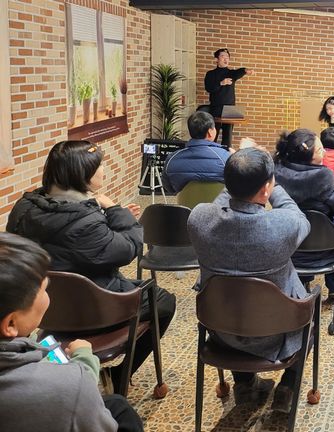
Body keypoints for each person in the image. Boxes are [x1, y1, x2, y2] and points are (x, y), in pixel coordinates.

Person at [5, 140, 177, 391]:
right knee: (163, 301)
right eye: (99, 167)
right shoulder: (86, 221)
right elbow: (130, 248)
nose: (104, 170)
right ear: (82, 174)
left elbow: (73, 239)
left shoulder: (24, 209)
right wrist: (116, 210)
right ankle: (119, 377)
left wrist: (105, 215)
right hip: (99, 308)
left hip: (47, 309)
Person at [187, 148, 311, 411]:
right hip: (279, 333)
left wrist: (238, 175)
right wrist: (270, 182)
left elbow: (220, 204)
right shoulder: (283, 226)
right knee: (309, 320)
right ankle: (287, 388)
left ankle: (244, 385)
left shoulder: (198, 219)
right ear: (265, 190)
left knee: (234, 303)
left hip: (221, 329)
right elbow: (296, 214)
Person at [0, 232, 144, 432]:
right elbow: (126, 249)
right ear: (11, 324)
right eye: (43, 290)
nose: (48, 296)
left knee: (117, 405)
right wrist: (84, 359)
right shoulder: (69, 385)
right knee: (120, 411)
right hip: (102, 311)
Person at [274, 128, 334, 301]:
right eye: (320, 150)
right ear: (309, 157)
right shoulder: (323, 176)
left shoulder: (277, 171)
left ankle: (302, 284)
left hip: (289, 245)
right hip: (325, 248)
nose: (324, 154)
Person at [162, 111, 232, 193]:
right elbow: (237, 184)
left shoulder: (172, 158)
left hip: (186, 204)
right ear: (210, 132)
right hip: (218, 205)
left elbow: (169, 187)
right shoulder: (225, 157)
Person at [203, 48, 254, 147]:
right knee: (213, 135)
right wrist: (221, 83)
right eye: (223, 56)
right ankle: (212, 154)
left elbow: (238, 72)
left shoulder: (231, 73)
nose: (225, 59)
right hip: (215, 108)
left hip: (230, 109)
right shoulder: (210, 74)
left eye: (227, 57)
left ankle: (226, 157)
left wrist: (245, 70)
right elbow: (209, 88)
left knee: (227, 138)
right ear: (216, 59)